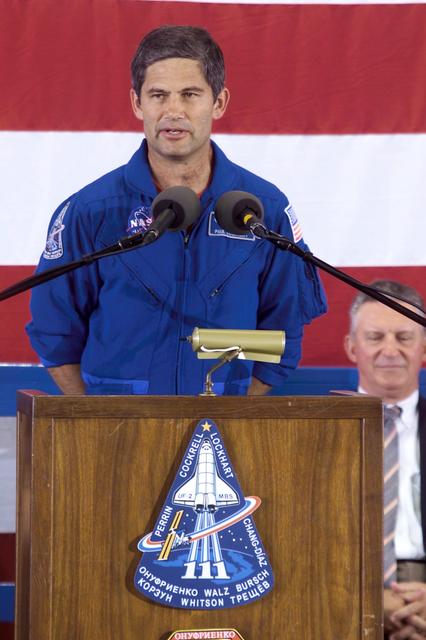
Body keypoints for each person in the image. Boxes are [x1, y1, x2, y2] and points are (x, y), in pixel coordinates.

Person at [26, 25, 326, 397]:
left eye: (190, 94)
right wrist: (95, 422)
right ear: (137, 103)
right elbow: (55, 333)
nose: (173, 110)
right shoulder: (91, 212)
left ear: (219, 102)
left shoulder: (264, 210)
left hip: (227, 428)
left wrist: (233, 418)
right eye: (158, 95)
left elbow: (282, 331)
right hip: (116, 433)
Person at [344, 280, 426, 639]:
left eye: (404, 337)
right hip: (344, 593)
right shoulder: (318, 431)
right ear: (351, 347)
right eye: (375, 336)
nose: (390, 350)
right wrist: (368, 599)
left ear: (423, 348)